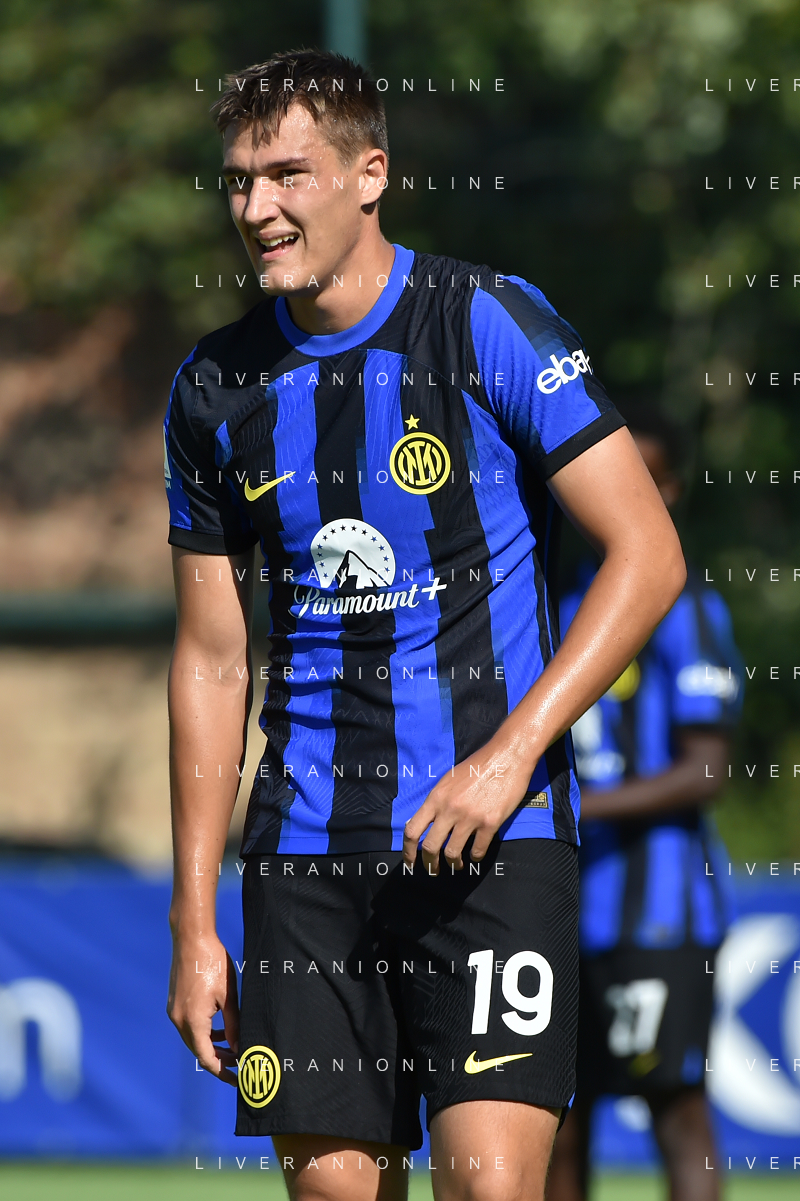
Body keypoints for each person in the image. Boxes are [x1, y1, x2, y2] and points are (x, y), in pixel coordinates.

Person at [163, 50, 685, 1201]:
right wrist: (193, 919)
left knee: (488, 1185)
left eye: (287, 174)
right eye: (239, 180)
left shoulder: (486, 320)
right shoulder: (213, 388)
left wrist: (507, 757)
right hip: (303, 857)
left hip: (493, 846)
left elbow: (647, 557)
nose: (255, 208)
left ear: (369, 176)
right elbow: (210, 658)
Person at [548, 409, 743, 1201]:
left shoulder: (686, 607)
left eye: (646, 475)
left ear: (672, 488)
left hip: (660, 916)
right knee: (556, 1116)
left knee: (674, 1105)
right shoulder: (553, 600)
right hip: (554, 909)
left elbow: (706, 770)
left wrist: (571, 805)